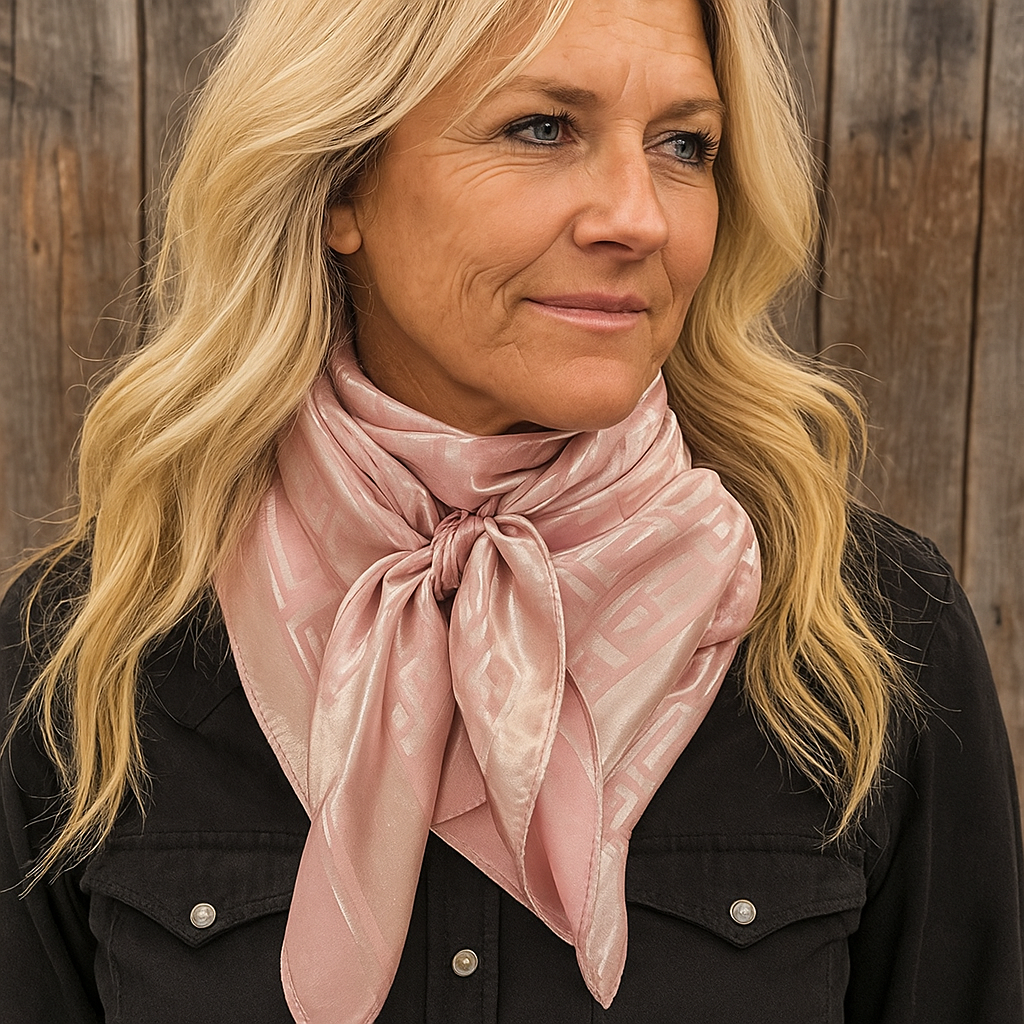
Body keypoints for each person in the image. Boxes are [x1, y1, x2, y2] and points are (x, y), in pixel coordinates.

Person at [2, 0, 1022, 1020]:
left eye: (684, 145)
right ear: (340, 181)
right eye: (541, 128)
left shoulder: (873, 638)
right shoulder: (87, 658)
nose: (639, 217)